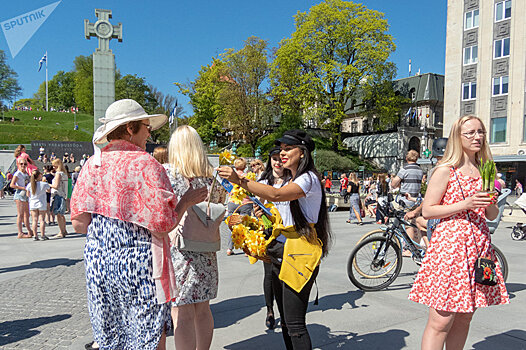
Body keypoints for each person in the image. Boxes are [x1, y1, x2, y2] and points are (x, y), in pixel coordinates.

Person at [70, 99, 207, 350]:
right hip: (139, 265)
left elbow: (79, 223)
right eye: (146, 127)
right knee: (148, 335)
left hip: (99, 263)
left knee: (110, 332)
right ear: (130, 128)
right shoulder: (146, 164)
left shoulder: (92, 164)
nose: (149, 133)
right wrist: (185, 202)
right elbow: (163, 224)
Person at [218, 129, 332, 350]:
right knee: (288, 324)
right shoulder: (291, 179)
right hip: (282, 250)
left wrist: (238, 179)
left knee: (295, 324)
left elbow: (276, 196)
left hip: (299, 253)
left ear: (303, 152)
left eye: (288, 148)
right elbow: (278, 215)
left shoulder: (307, 179)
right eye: (281, 149)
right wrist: (249, 221)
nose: (282, 153)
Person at [409, 116, 509, 350]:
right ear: (458, 136)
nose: (478, 137)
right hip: (450, 248)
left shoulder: (486, 168)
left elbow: (492, 215)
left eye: (481, 132)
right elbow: (429, 210)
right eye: (471, 133)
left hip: (479, 247)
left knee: (465, 316)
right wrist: (465, 204)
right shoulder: (445, 169)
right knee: (441, 319)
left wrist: (488, 199)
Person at [164, 125, 219, 350]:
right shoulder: (211, 175)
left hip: (179, 248)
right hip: (206, 246)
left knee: (181, 311)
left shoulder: (167, 173)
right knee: (203, 309)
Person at [257, 146, 292, 330]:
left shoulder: (292, 180)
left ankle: (286, 314)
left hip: (289, 233)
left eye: (281, 158)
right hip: (269, 232)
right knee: (270, 274)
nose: (278, 162)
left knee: (286, 275)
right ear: (270, 160)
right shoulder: (263, 180)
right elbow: (257, 205)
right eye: (274, 158)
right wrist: (260, 214)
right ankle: (270, 310)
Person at [391, 150, 424, 254]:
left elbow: (393, 184)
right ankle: (416, 245)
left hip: (406, 199)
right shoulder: (420, 170)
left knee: (407, 223)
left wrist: (399, 184)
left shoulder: (404, 169)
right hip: (417, 199)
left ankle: (410, 249)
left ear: (406, 158)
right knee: (416, 222)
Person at [225, 157, 252, 256]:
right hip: (245, 202)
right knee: (246, 225)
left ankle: (229, 248)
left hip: (232, 202)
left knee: (231, 225)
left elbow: (227, 189)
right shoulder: (247, 176)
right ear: (245, 166)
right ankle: (246, 249)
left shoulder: (230, 176)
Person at [10, 158, 34, 238]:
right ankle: (20, 232)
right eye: (21, 164)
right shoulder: (17, 174)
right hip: (20, 194)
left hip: (26, 195)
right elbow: (12, 185)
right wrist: (22, 188)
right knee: (20, 214)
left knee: (27, 214)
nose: (23, 165)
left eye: (25, 164)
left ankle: (29, 230)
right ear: (18, 165)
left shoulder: (26, 173)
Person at [26, 169, 51, 240]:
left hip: (33, 203)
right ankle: (42, 235)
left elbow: (28, 194)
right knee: (42, 220)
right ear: (39, 176)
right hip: (42, 202)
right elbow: (49, 191)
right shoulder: (44, 184)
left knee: (34, 220)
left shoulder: (30, 185)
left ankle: (35, 235)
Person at [49, 159, 69, 238]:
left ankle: (61, 231)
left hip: (57, 194)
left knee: (58, 215)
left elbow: (56, 186)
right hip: (63, 195)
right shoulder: (64, 174)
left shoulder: (58, 174)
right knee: (62, 215)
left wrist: (48, 184)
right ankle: (64, 230)